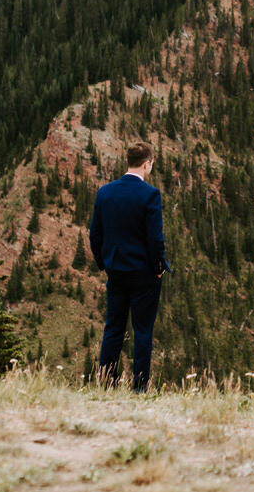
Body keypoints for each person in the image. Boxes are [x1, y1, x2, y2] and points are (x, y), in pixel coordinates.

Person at [89, 141, 170, 392]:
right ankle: (139, 388)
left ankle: (106, 384)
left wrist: (103, 263)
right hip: (144, 273)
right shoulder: (150, 195)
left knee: (113, 328)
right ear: (146, 164)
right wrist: (159, 266)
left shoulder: (105, 193)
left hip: (116, 271)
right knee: (142, 330)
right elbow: (155, 239)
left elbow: (95, 234)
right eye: (151, 165)